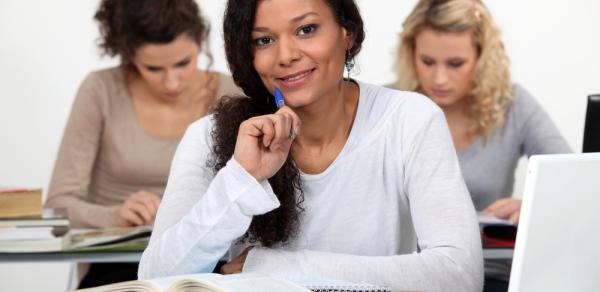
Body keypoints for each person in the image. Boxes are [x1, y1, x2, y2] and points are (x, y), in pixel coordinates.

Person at [139, 0, 483, 291]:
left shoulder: (410, 120)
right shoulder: (209, 136)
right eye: (263, 40)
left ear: (346, 33)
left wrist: (274, 268)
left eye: (306, 30)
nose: (285, 55)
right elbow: (157, 280)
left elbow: (460, 274)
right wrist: (241, 178)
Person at [44, 0, 240, 288]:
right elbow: (58, 206)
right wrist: (115, 215)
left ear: (200, 42)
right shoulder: (101, 91)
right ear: (129, 56)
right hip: (119, 267)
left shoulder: (231, 94)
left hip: (210, 261)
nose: (172, 82)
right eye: (153, 68)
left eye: (183, 63)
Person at [392, 0, 571, 291]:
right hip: (407, 275)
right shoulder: (389, 106)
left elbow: (573, 180)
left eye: (455, 64)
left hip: (492, 275)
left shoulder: (512, 106)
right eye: (427, 62)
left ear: (482, 56)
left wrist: (535, 206)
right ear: (410, 52)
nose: (439, 79)